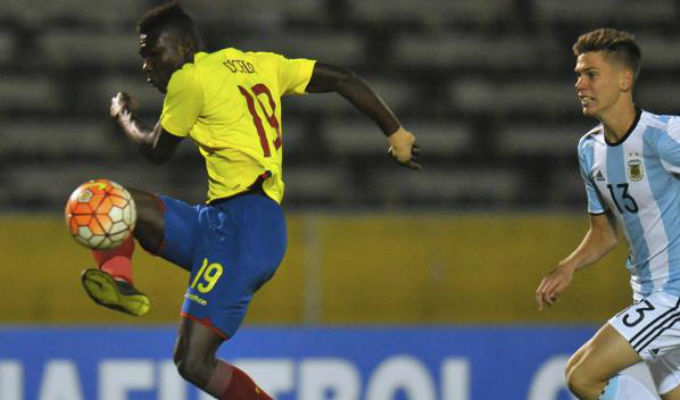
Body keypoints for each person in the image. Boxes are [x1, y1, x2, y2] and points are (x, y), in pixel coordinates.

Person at [79, 2, 420, 399]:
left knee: (193, 361)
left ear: (185, 46)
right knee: (110, 199)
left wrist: (122, 114)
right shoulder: (261, 64)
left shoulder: (190, 78)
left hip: (246, 230)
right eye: (144, 56)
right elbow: (343, 79)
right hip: (222, 221)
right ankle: (120, 283)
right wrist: (396, 133)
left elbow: (156, 150)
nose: (147, 66)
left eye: (153, 53)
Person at [536, 28, 680, 400]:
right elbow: (604, 233)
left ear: (624, 80)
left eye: (591, 74)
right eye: (578, 75)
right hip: (646, 294)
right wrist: (568, 266)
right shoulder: (590, 150)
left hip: (674, 296)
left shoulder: (663, 136)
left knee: (581, 375)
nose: (580, 84)